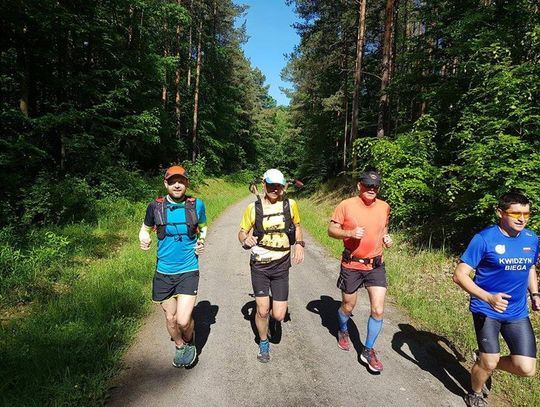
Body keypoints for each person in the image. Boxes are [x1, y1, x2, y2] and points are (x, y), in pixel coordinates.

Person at [453, 192, 539, 407]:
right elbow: (459, 274)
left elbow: (530, 267)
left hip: (517, 311)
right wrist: (488, 297)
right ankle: (475, 392)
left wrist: (535, 294)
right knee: (489, 360)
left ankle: (485, 362)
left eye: (526, 214)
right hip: (486, 308)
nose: (522, 219)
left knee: (526, 368)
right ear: (500, 213)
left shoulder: (531, 238)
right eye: (515, 213)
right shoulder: (484, 239)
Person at [139, 165, 207, 368]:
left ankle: (189, 339)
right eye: (172, 181)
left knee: (183, 321)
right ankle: (179, 346)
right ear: (166, 183)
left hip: (188, 269)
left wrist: (201, 241)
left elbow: (203, 226)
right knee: (171, 319)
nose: (177, 185)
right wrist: (144, 239)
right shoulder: (155, 207)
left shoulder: (197, 205)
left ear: (186, 183)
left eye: (181, 181)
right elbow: (144, 230)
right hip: (163, 272)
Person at [327, 170, 393, 373]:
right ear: (359, 186)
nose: (371, 189)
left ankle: (368, 349)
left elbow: (383, 228)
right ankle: (343, 329)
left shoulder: (384, 207)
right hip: (352, 265)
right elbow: (331, 230)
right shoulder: (346, 205)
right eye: (367, 185)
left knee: (378, 309)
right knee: (348, 306)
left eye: (375, 186)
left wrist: (386, 238)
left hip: (375, 265)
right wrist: (349, 233)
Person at [238, 168, 305, 363]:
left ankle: (275, 321)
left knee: (279, 314)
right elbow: (242, 232)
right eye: (271, 186)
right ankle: (263, 342)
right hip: (260, 264)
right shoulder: (253, 208)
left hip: (282, 263)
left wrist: (299, 245)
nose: (275, 190)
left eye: (278, 186)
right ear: (263, 185)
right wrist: (246, 239)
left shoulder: (290, 205)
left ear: (284, 187)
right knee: (262, 310)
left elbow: (297, 226)